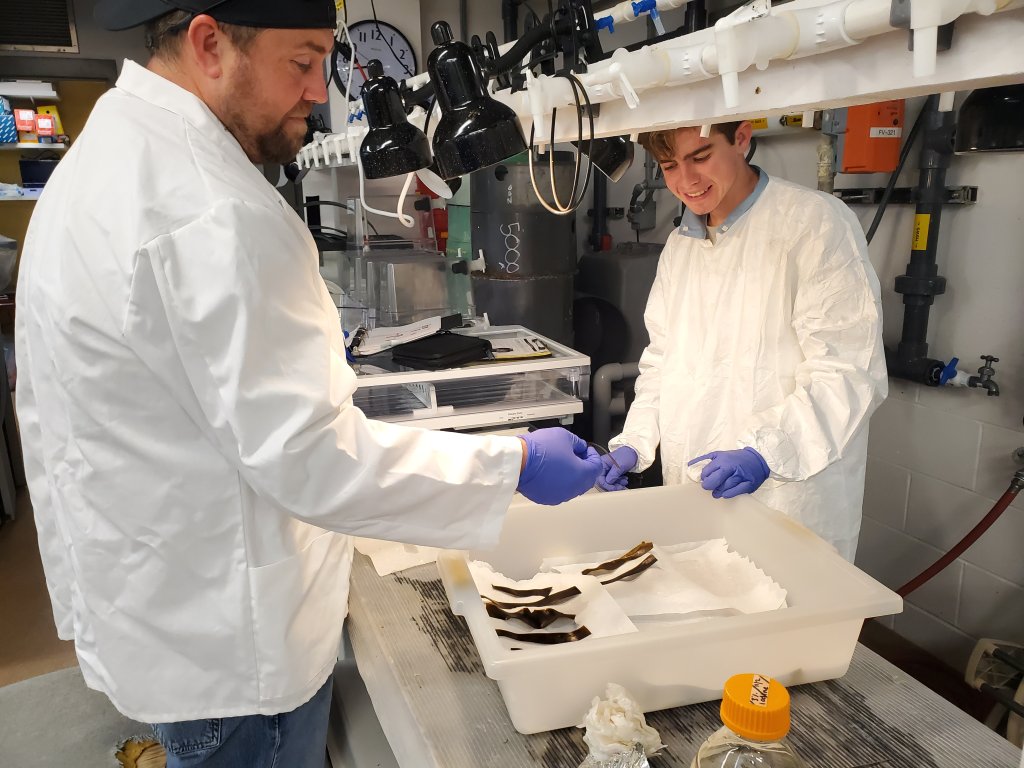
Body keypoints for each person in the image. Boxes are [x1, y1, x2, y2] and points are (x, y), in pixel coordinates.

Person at [14, 1, 601, 765]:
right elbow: (313, 459)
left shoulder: (112, 156)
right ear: (209, 43)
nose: (320, 93)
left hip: (165, 609)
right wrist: (512, 464)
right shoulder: (207, 209)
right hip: (233, 658)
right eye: (300, 62)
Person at [596, 121, 887, 562]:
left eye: (700, 156)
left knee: (785, 615)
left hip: (787, 492)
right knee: (706, 608)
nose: (686, 181)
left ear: (742, 139)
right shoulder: (681, 245)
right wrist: (634, 442)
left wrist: (766, 451)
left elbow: (847, 370)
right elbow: (661, 362)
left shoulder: (815, 224)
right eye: (670, 165)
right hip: (694, 484)